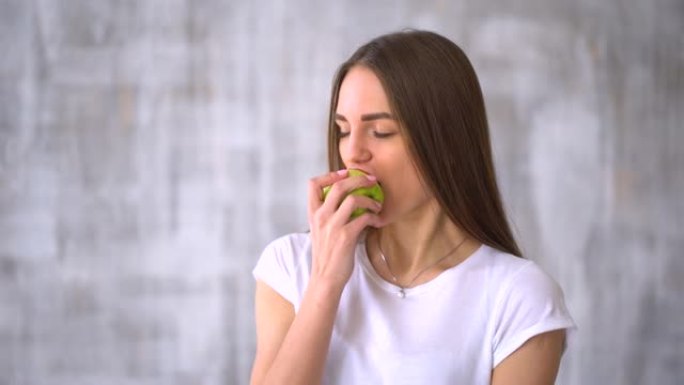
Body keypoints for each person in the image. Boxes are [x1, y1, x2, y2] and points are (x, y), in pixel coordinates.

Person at [250, 30, 575, 385]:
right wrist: (325, 281)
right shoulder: (290, 266)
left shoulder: (521, 299)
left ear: (448, 142)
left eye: (381, 132)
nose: (353, 152)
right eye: (343, 130)